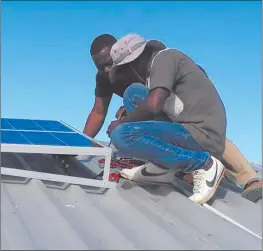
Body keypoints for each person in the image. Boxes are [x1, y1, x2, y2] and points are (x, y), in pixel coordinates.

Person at [84, 33, 262, 203]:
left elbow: (164, 103)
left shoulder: (160, 60)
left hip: (187, 113)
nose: (107, 70)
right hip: (164, 110)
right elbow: (99, 111)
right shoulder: (106, 77)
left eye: (110, 64)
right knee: (134, 94)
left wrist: (125, 122)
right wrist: (82, 142)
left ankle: (244, 176)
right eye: (101, 67)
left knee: (208, 133)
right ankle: (163, 163)